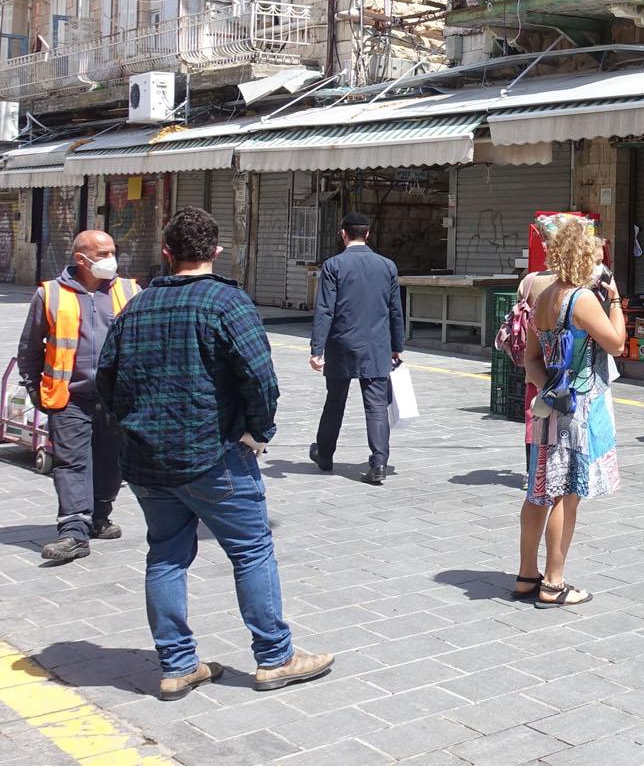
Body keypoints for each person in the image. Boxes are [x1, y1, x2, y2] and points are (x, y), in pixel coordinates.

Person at [96, 208, 332, 701]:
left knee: (165, 555)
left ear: (166, 253)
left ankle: (178, 664)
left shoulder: (134, 307)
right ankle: (275, 656)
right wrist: (258, 432)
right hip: (213, 454)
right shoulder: (227, 302)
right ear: (216, 251)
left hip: (146, 460)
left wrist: (133, 426)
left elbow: (107, 379)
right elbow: (260, 378)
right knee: (250, 551)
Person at [517, 215, 625, 609]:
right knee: (566, 495)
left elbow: (530, 359)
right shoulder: (581, 299)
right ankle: (554, 582)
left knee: (538, 492)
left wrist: (549, 384)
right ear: (583, 257)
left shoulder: (543, 296)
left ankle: (527, 574)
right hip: (578, 410)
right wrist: (614, 301)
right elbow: (616, 344)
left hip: (549, 408)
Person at [18, 230, 140, 564]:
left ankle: (99, 516)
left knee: (111, 462)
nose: (110, 259)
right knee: (72, 463)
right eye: (102, 254)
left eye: (112, 251)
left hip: (117, 398)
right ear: (80, 258)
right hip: (69, 398)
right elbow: (29, 349)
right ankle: (73, 532)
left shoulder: (129, 291)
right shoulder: (50, 294)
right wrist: (35, 391)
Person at [308, 211, 405, 486]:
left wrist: (317, 348)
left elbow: (325, 309)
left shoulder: (333, 265)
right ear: (368, 234)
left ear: (343, 234)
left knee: (334, 402)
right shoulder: (387, 266)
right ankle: (378, 464)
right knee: (375, 406)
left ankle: (325, 455)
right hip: (376, 345)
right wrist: (397, 346)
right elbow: (395, 310)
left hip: (341, 344)